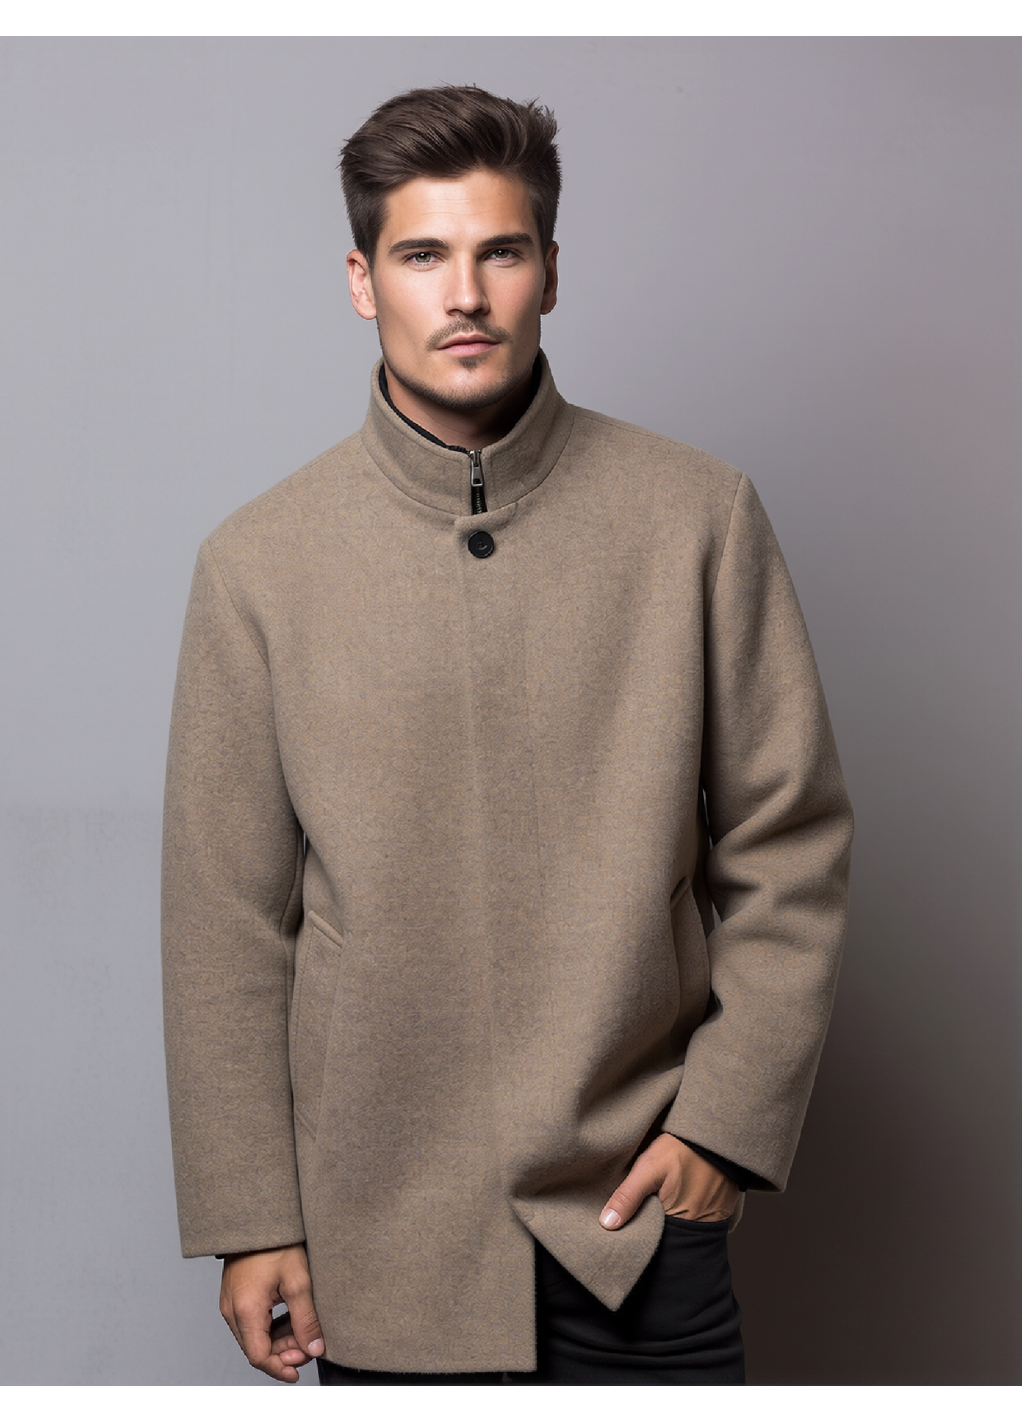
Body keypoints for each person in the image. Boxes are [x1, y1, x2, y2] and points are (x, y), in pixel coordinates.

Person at [161, 84, 852, 1386]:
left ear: (552, 272)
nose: (465, 294)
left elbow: (790, 843)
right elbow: (225, 921)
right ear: (363, 281)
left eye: (502, 251)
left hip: (635, 1229)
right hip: (379, 1241)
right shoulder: (258, 565)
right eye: (423, 254)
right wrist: (252, 1217)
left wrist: (723, 1126)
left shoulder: (696, 517)